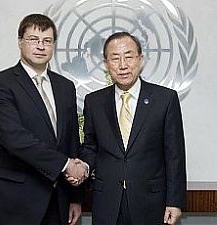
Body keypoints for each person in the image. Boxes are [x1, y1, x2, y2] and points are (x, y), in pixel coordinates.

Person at [0, 14, 88, 225]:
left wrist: (75, 197)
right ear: (20, 41)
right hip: (15, 202)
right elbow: (14, 139)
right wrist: (66, 165)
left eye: (47, 41)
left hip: (59, 203)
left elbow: (71, 140)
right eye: (33, 39)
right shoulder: (0, 83)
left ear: (53, 45)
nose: (40, 46)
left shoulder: (65, 87)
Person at [78, 32, 187, 225]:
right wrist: (83, 167)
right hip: (107, 201)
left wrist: (175, 201)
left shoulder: (165, 99)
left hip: (151, 202)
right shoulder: (94, 102)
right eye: (115, 58)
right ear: (105, 63)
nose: (123, 65)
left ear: (140, 59)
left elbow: (175, 155)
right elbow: (91, 147)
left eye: (128, 57)